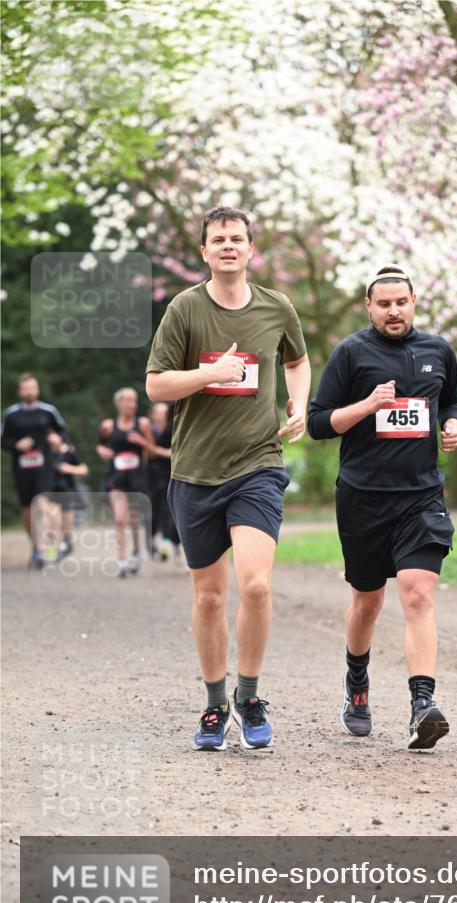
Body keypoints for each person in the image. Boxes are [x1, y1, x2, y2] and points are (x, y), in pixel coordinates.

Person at [145, 205, 310, 752]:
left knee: (256, 584)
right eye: (219, 240)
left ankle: (251, 695)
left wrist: (300, 403)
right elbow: (156, 387)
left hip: (258, 464)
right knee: (211, 597)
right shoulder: (184, 310)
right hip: (194, 471)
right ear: (205, 252)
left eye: (237, 238)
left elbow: (298, 360)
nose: (229, 247)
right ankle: (216, 704)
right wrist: (209, 374)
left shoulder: (276, 307)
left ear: (251, 248)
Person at [307, 265, 457, 751]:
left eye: (402, 302)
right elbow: (318, 424)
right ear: (369, 307)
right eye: (384, 304)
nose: (394, 311)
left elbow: (453, 399)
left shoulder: (438, 350)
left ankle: (423, 704)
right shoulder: (352, 353)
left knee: (418, 593)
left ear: (413, 301)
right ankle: (357, 684)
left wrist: (453, 423)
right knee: (367, 601)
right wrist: (367, 406)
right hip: (362, 498)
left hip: (420, 496)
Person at [1, 373, 66, 568]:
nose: (30, 391)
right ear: (20, 391)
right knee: (28, 512)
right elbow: (3, 440)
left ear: (37, 389)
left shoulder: (48, 411)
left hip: (44, 466)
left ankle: (50, 548)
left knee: (42, 504)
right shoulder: (11, 414)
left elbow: (62, 431)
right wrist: (16, 445)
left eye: (33, 388)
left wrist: (57, 439)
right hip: (22, 469)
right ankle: (36, 548)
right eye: (26, 388)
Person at [97, 387, 155, 578]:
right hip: (117, 478)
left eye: (134, 401)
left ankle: (136, 553)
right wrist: (102, 452)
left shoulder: (143, 424)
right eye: (128, 401)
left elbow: (153, 451)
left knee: (134, 520)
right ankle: (122, 561)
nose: (132, 405)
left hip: (137, 478)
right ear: (119, 403)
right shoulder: (108, 426)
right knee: (120, 519)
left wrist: (142, 442)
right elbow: (101, 445)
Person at [45, 430, 89, 559]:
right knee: (53, 520)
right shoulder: (45, 453)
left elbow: (84, 470)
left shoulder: (70, 453)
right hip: (50, 491)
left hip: (67, 490)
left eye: (53, 435)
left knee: (66, 522)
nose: (51, 438)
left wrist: (68, 468)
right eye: (49, 436)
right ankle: (51, 551)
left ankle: (67, 543)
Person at [146, 401, 181, 561]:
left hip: (171, 472)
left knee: (169, 508)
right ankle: (153, 539)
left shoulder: (172, 427)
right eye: (157, 412)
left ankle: (170, 541)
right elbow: (148, 453)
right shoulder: (148, 430)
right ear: (153, 414)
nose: (160, 415)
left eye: (163, 412)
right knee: (154, 508)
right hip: (152, 474)